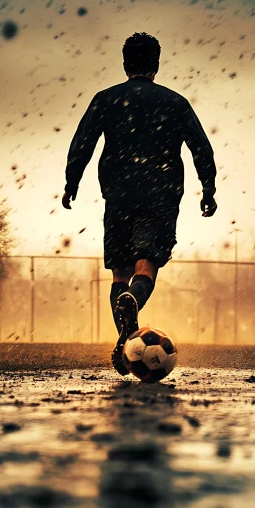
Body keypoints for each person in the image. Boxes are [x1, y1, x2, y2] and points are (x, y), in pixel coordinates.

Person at [62, 32, 217, 374]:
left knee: (120, 271)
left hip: (118, 194)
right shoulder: (175, 103)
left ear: (125, 64)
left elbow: (83, 142)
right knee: (146, 265)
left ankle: (125, 337)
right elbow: (200, 147)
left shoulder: (106, 99)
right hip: (160, 194)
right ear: (156, 64)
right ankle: (135, 299)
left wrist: (72, 181)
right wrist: (209, 188)